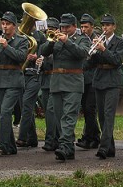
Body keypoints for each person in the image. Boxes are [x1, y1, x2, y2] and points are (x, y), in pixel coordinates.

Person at [38, 13, 90, 161]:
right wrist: (51, 42)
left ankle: (64, 146)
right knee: (60, 116)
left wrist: (67, 41)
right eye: (62, 26)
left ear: (75, 26)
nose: (64, 29)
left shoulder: (82, 39)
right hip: (56, 82)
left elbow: (82, 54)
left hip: (73, 81)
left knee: (69, 115)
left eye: (67, 27)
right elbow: (43, 51)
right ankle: (68, 148)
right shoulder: (55, 39)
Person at [87, 13, 123, 159]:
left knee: (109, 115)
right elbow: (91, 63)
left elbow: (117, 60)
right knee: (102, 116)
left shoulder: (120, 42)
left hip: (112, 81)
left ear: (114, 26)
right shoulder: (98, 41)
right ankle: (110, 148)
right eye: (103, 25)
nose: (105, 27)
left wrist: (103, 49)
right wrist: (92, 52)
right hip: (99, 79)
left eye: (108, 25)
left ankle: (103, 148)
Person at [0, 11, 30, 155]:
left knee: (6, 112)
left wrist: (6, 46)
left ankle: (2, 144)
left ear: (14, 26)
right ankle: (11, 147)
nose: (4, 27)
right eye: (3, 24)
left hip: (14, 80)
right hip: (0, 79)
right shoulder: (0, 39)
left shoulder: (22, 40)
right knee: (1, 113)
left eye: (7, 24)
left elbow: (20, 57)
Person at [18, 24, 46, 149]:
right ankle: (32, 138)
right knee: (25, 106)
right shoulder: (21, 36)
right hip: (23, 74)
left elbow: (46, 52)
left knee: (27, 104)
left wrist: (36, 57)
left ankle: (22, 137)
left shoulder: (40, 36)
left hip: (35, 75)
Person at [76, 14, 101, 151]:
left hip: (93, 77)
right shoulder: (80, 39)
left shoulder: (96, 39)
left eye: (86, 27)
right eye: (82, 26)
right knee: (86, 109)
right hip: (83, 77)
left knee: (90, 108)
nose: (84, 29)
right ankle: (93, 136)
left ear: (92, 26)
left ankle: (91, 137)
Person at [39, 17, 60, 152]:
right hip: (45, 80)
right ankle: (54, 139)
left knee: (52, 111)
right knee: (48, 112)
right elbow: (42, 53)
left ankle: (51, 140)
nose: (49, 32)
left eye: (52, 29)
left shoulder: (58, 43)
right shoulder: (45, 44)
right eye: (48, 30)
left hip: (55, 79)